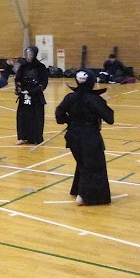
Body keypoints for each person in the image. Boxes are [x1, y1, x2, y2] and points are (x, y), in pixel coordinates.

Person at [55, 69, 115, 205]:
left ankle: (78, 189)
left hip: (73, 136)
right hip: (89, 137)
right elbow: (110, 118)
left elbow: (59, 115)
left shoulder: (70, 98)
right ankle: (84, 196)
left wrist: (70, 120)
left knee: (83, 162)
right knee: (93, 166)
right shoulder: (94, 100)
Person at [14, 45, 49, 145]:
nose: (29, 56)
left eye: (31, 54)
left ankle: (36, 138)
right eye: (27, 54)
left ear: (34, 55)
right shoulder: (23, 66)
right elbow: (18, 79)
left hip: (36, 96)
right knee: (22, 117)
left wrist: (34, 91)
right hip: (24, 96)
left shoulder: (40, 67)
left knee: (36, 117)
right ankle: (22, 137)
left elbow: (44, 82)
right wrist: (19, 87)